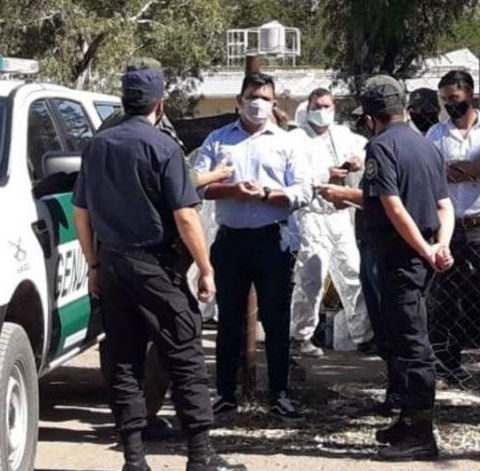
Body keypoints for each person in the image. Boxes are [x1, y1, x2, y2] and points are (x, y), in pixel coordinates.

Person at [72, 68, 244, 471]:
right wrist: (206, 268)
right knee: (185, 355)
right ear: (160, 103)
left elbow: (82, 213)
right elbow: (185, 216)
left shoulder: (96, 146)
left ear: (124, 101)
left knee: (124, 360)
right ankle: (200, 456)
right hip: (156, 266)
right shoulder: (163, 147)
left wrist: (94, 264)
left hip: (113, 263)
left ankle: (134, 459)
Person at [320, 75, 455, 460]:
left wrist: (425, 251)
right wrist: (440, 245)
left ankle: (421, 434)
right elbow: (444, 205)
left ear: (372, 116)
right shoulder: (426, 146)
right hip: (423, 253)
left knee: (413, 344)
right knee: (402, 337)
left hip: (401, 257)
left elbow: (394, 207)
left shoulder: (380, 147)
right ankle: (407, 419)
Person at [193, 72, 311, 422]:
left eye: (265, 98)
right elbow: (197, 187)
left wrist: (270, 194)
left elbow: (304, 191)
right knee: (227, 321)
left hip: (273, 239)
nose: (258, 104)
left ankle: (280, 395)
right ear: (239, 102)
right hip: (231, 240)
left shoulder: (288, 142)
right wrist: (232, 190)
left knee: (276, 321)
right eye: (252, 97)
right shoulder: (218, 140)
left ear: (275, 104)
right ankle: (226, 394)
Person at [425, 70, 480, 388]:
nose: (451, 104)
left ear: (470, 94)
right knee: (447, 299)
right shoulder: (435, 134)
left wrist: (455, 170)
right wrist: (470, 171)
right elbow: (432, 174)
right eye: (446, 99)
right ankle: (448, 365)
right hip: (451, 228)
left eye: (455, 98)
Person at [288, 88, 374, 358]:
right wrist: (326, 173)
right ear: (309, 106)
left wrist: (358, 160)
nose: (322, 111)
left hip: (340, 213)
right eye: (317, 106)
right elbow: (295, 175)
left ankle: (363, 335)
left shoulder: (343, 135)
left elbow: (365, 147)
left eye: (327, 106)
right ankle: (300, 335)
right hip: (312, 215)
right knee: (311, 277)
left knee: (352, 272)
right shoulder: (297, 138)